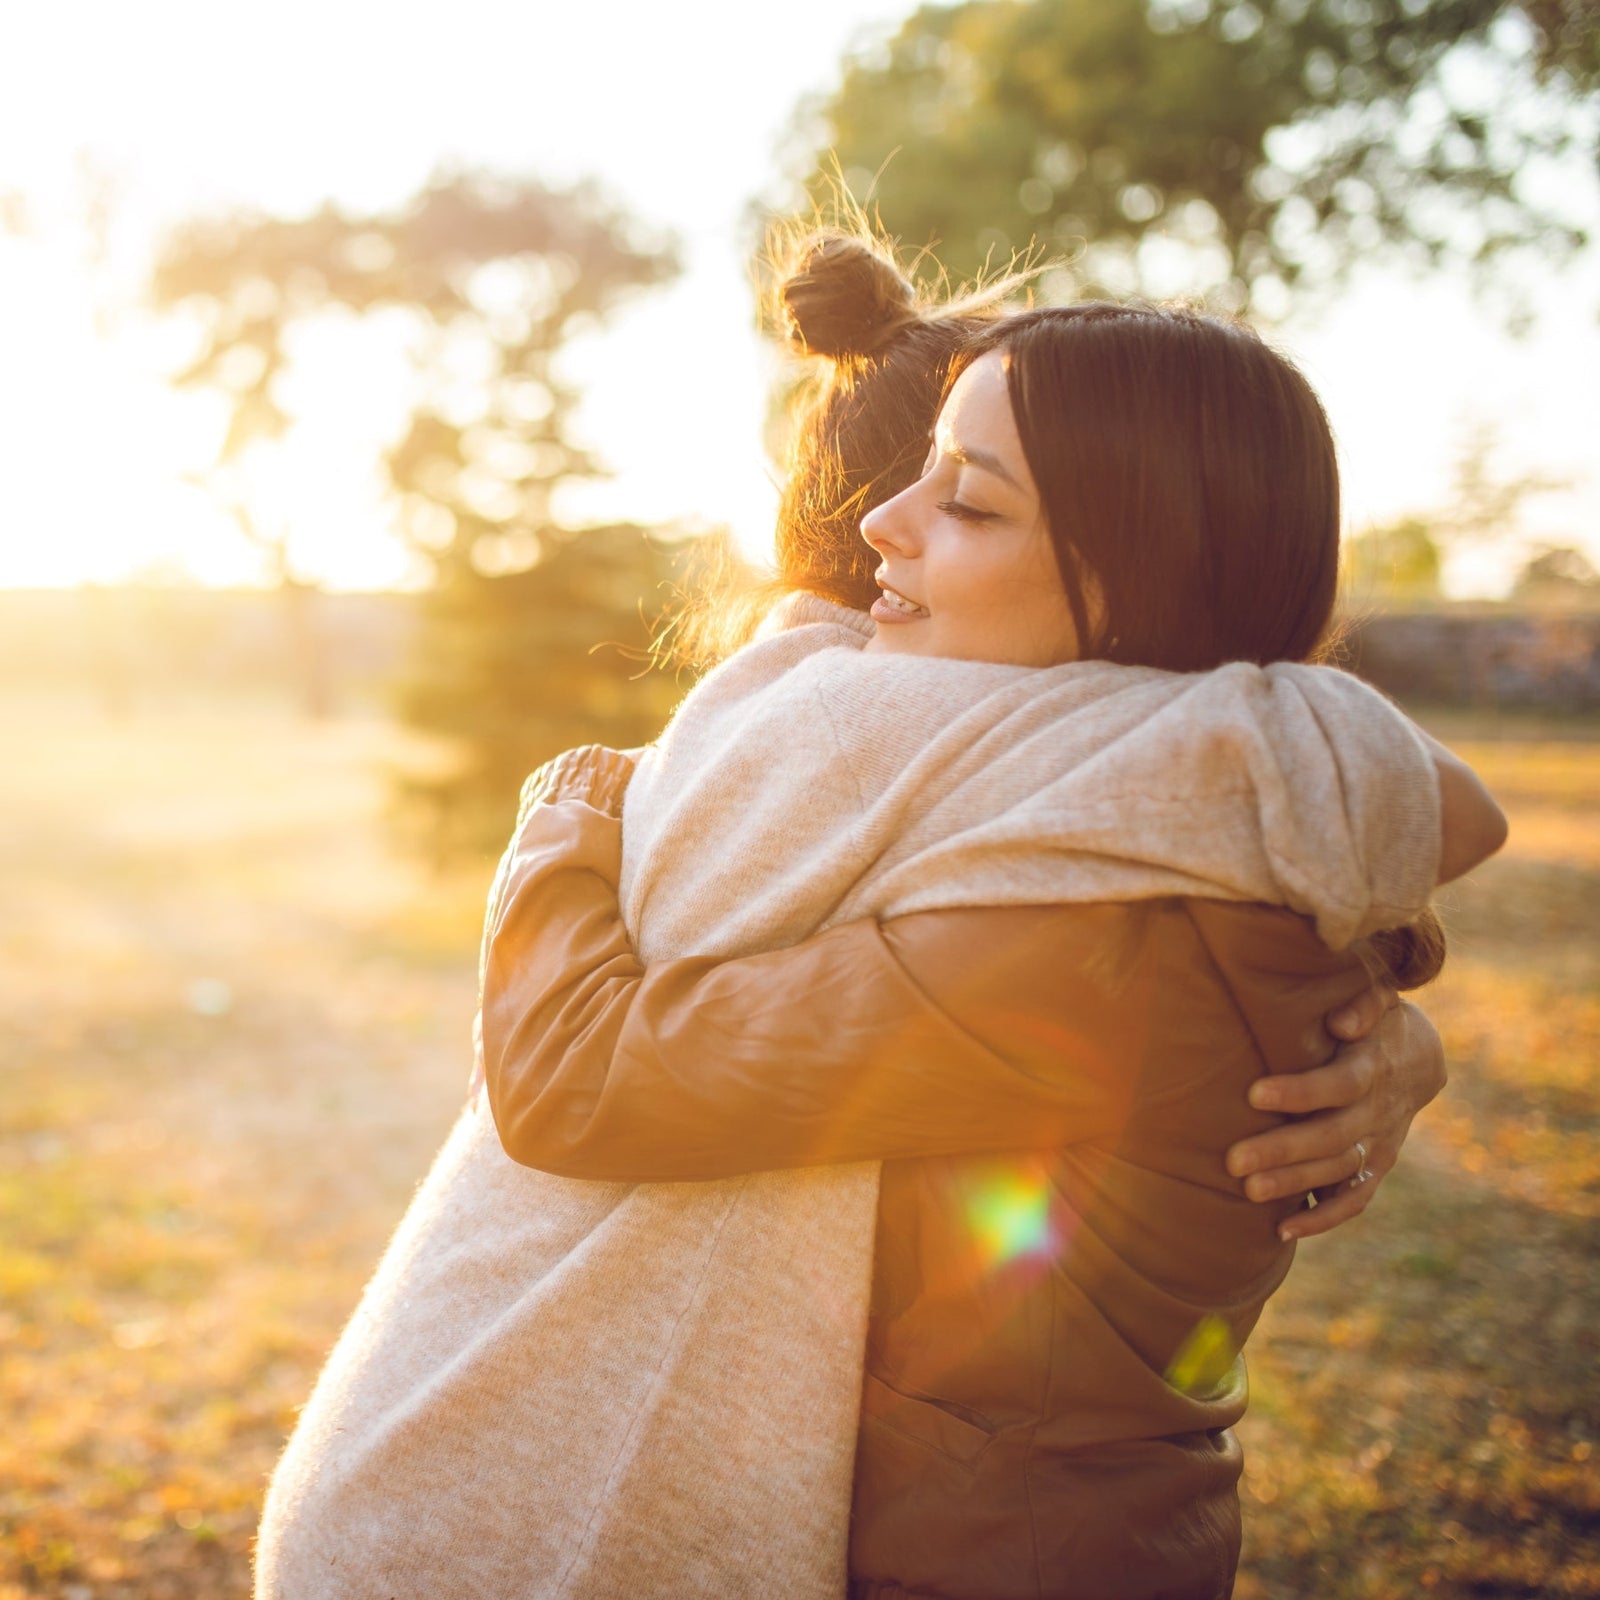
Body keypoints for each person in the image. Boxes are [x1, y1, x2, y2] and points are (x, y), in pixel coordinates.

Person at [253, 238, 1480, 1600]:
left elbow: (583, 1081)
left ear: (1136, 577)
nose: (885, 524)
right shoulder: (1133, 833)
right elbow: (1388, 794)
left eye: (973, 503)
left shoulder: (1105, 943)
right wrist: (1404, 999)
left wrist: (567, 811)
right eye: (915, 476)